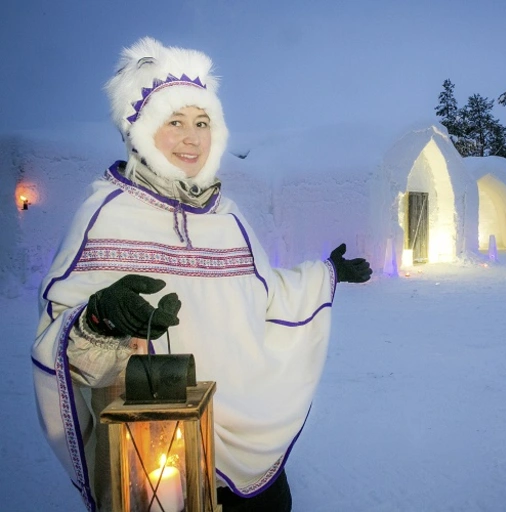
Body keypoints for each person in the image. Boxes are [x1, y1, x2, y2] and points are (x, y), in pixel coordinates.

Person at [31, 36, 371, 512]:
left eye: (202, 123)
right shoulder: (106, 215)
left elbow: (266, 294)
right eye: (174, 122)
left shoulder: (228, 218)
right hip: (159, 452)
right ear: (142, 131)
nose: (192, 137)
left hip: (251, 448)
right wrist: (100, 320)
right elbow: (58, 343)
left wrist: (326, 272)